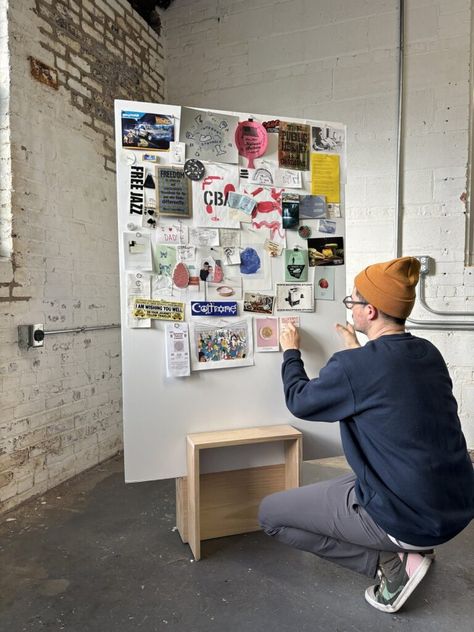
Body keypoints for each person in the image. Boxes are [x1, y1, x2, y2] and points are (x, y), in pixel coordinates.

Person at [259, 256, 474, 613]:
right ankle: (407, 550)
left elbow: (299, 400)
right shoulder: (427, 353)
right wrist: (357, 353)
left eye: (353, 301)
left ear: (370, 311)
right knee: (350, 481)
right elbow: (387, 385)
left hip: (410, 516)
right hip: (456, 503)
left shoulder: (355, 366)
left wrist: (290, 352)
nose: (350, 307)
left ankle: (391, 565)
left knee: (270, 514)